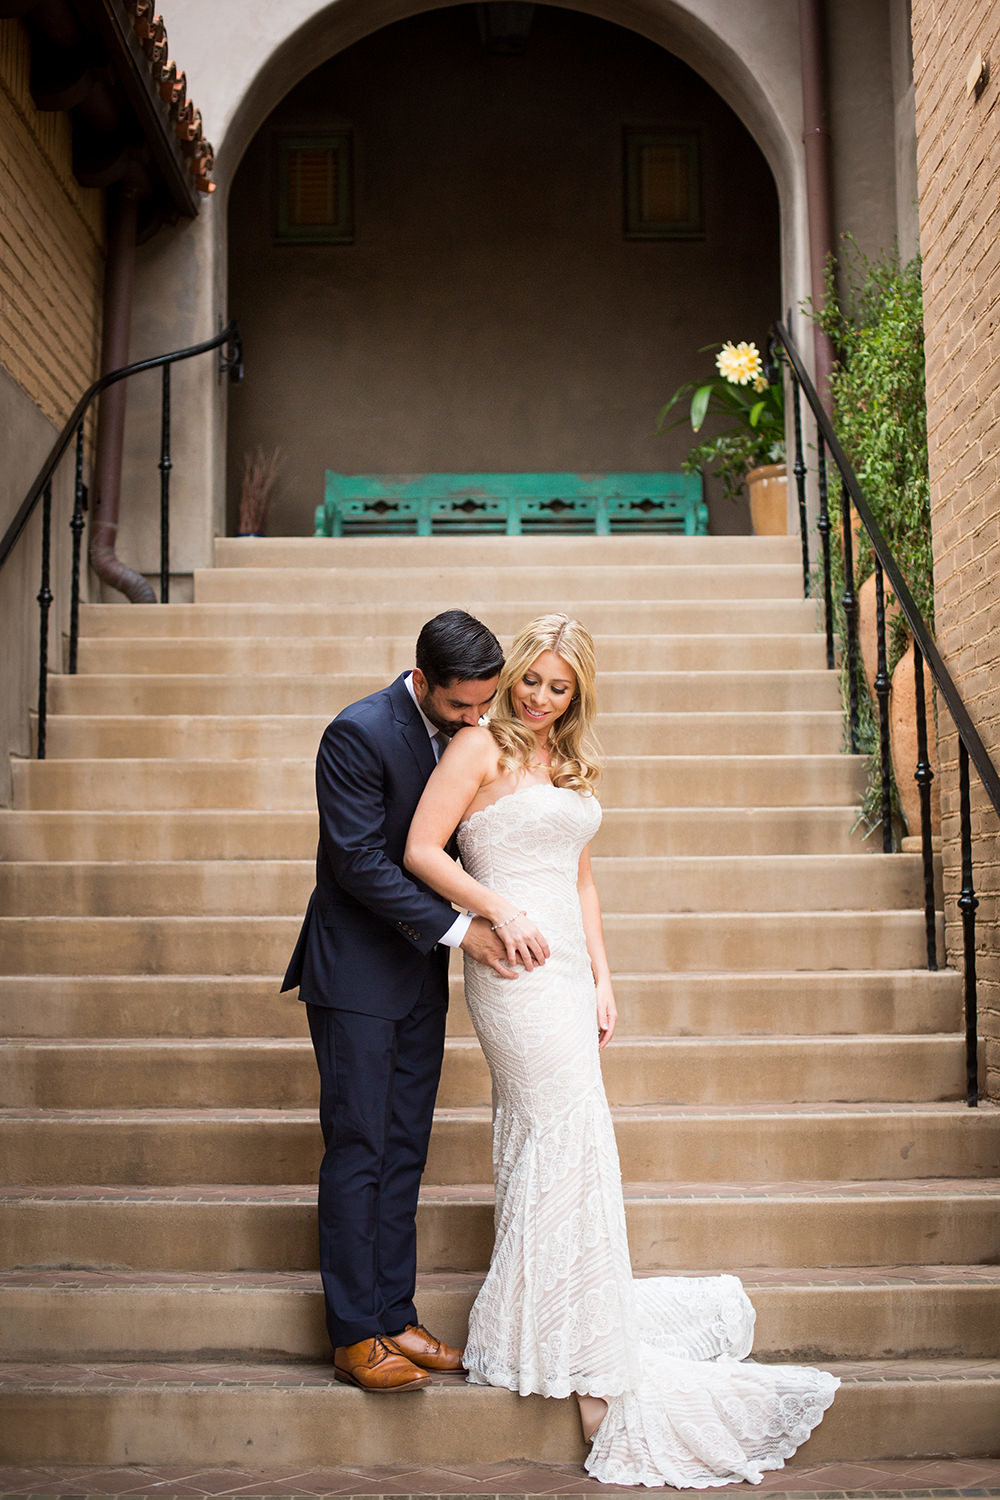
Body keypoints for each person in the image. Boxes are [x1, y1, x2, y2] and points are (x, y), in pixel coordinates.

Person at [404, 612, 839, 1487]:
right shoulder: (474, 750)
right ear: (514, 673)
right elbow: (418, 850)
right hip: (514, 969)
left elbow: (583, 878)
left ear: (576, 695)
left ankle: (564, 1326)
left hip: (568, 976)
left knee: (571, 1145)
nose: (538, 698)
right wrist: (497, 910)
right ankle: (581, 1360)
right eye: (531, 680)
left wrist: (605, 977)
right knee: (563, 1139)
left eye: (558, 689)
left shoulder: (565, 760)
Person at [282, 609, 525, 1394]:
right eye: (461, 704)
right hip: (354, 973)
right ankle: (354, 1334)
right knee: (360, 1148)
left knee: (405, 1147)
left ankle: (396, 1313)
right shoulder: (357, 732)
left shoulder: (468, 733)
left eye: (485, 703)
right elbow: (357, 862)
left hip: (419, 974)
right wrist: (462, 928)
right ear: (421, 680)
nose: (476, 719)